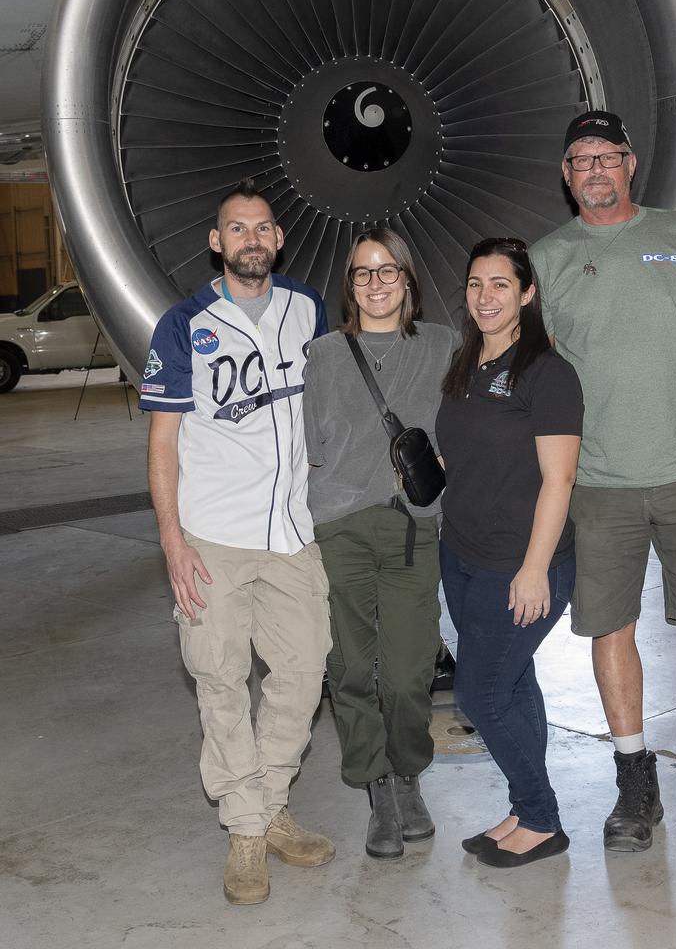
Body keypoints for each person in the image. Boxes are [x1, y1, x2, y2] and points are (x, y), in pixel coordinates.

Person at [530, 110, 676, 871]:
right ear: (565, 176)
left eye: (606, 156)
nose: (594, 168)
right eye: (579, 159)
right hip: (597, 484)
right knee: (609, 633)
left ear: (629, 164)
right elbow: (540, 373)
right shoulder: (548, 258)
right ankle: (635, 785)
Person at [141, 179, 334, 907]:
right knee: (220, 682)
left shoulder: (306, 308)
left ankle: (270, 799)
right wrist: (171, 541)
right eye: (236, 229)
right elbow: (163, 442)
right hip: (211, 536)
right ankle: (247, 830)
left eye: (262, 228)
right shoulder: (184, 324)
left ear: (277, 239)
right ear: (216, 242)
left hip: (290, 531)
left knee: (303, 671)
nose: (250, 238)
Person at [302, 228, 456, 860]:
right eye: (362, 273)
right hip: (340, 528)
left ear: (407, 278)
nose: (375, 283)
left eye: (387, 270)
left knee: (409, 672)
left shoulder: (443, 347)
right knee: (350, 670)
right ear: (350, 286)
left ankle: (410, 770)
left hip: (413, 530)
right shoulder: (325, 355)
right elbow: (310, 447)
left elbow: (465, 429)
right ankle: (378, 789)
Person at [436, 237, 583, 869]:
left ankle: (542, 816)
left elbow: (559, 479)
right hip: (462, 553)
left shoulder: (548, 374)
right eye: (475, 284)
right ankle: (526, 812)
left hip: (519, 563)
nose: (485, 296)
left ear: (526, 293)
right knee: (514, 681)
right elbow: (467, 452)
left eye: (501, 284)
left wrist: (532, 569)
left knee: (479, 695)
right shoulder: (464, 364)